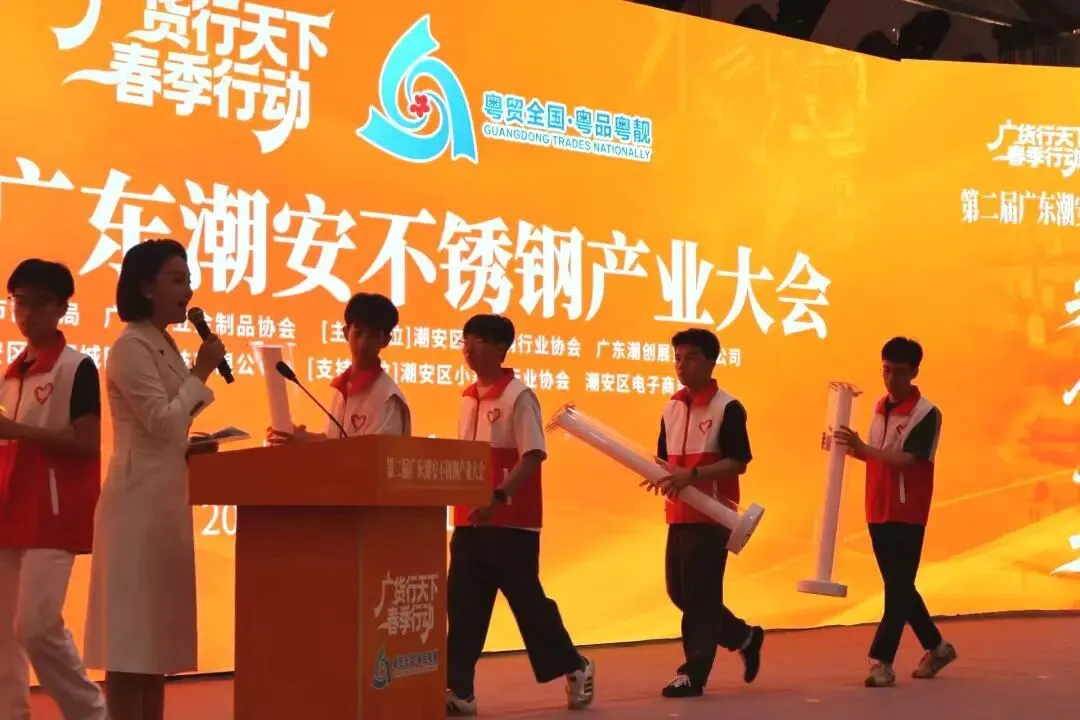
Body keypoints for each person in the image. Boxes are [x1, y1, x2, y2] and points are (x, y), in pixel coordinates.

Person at [83, 239, 228, 720]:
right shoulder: (129, 346)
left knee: (154, 649)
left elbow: (171, 427)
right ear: (146, 287)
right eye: (178, 280)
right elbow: (163, 423)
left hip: (164, 503)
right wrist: (202, 370)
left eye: (189, 280)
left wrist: (194, 445)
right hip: (135, 510)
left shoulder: (162, 342)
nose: (188, 291)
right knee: (130, 648)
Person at [445, 314, 594, 716]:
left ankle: (575, 666)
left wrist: (499, 496)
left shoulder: (519, 395)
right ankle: (460, 689)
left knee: (528, 605)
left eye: (478, 341)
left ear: (500, 348)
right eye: (465, 341)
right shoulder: (467, 396)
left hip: (511, 522)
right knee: (463, 605)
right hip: (469, 520)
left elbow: (533, 455)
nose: (468, 349)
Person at [0, 260, 107, 720]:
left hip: (52, 513)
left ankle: (91, 712)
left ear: (63, 308)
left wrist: (19, 431)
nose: (27, 313)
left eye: (39, 302)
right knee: (3, 634)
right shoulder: (10, 375)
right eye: (19, 302)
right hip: (7, 510)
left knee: (36, 625)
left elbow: (87, 442)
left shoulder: (76, 367)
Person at [645, 328, 764, 698]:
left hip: (713, 516)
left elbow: (739, 462)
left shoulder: (727, 407)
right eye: (677, 358)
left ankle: (693, 674)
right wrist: (658, 474)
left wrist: (692, 475)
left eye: (691, 357)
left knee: (699, 597)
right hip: (678, 513)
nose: (681, 365)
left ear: (711, 362)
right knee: (681, 592)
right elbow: (663, 458)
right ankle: (744, 636)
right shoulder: (671, 406)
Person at [834, 336, 957, 688]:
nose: (891, 379)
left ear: (915, 372)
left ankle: (881, 661)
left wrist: (864, 448)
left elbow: (907, 459)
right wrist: (847, 448)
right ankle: (938, 648)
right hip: (877, 507)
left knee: (897, 589)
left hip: (908, 511)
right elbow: (877, 454)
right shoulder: (879, 408)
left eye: (899, 372)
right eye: (886, 370)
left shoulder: (926, 413)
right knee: (900, 587)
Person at [266, 292, 410, 444]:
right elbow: (333, 440)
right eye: (358, 333)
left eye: (373, 335)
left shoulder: (389, 399)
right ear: (346, 333)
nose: (363, 343)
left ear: (385, 340)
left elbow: (375, 454)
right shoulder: (342, 387)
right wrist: (300, 436)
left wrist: (305, 442)